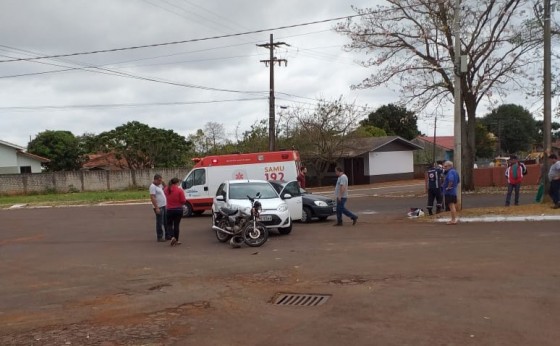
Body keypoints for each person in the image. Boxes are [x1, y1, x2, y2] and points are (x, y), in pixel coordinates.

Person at [164, 177, 187, 246]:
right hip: (178, 209)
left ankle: (172, 236)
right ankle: (176, 239)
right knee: (176, 225)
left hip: (169, 209)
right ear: (177, 183)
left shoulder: (166, 190)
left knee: (169, 224)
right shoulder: (180, 190)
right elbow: (183, 201)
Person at [149, 174, 169, 242]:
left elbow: (166, 187)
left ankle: (167, 235)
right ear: (155, 180)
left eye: (161, 180)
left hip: (163, 205)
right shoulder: (152, 187)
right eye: (159, 180)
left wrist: (162, 182)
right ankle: (159, 236)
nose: (160, 181)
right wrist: (156, 207)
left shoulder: (159, 185)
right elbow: (152, 197)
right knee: (160, 222)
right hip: (159, 207)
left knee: (166, 221)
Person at [442, 161, 460, 225]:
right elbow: (458, 180)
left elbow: (451, 180)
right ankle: (453, 219)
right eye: (444, 166)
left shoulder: (450, 172)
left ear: (450, 166)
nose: (444, 167)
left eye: (446, 166)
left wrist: (449, 187)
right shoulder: (455, 172)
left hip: (449, 192)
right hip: (453, 191)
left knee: (451, 206)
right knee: (452, 206)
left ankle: (453, 220)